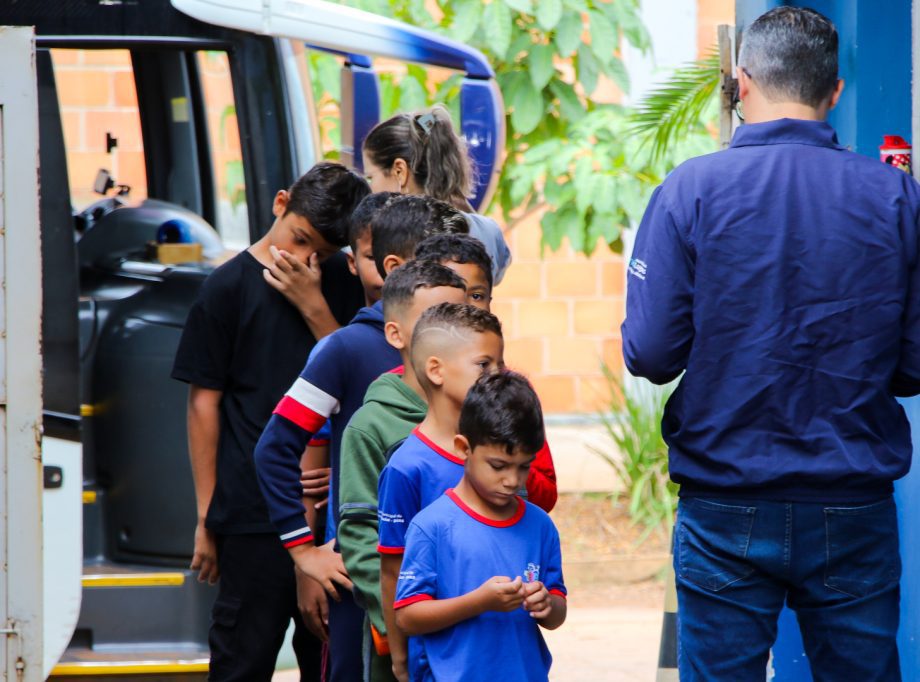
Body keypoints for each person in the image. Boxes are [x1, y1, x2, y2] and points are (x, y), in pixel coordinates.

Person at [621, 7, 920, 680]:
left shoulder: (689, 192)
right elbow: (914, 366)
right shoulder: (898, 198)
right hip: (853, 501)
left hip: (726, 500)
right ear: (834, 92)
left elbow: (650, 353)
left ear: (741, 82)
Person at [254, 194, 468, 681]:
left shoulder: (463, 358)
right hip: (363, 586)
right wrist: (304, 553)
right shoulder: (346, 348)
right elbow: (276, 446)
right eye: (435, 266)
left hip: (447, 596)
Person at [171, 162, 369, 681]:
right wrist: (207, 516)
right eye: (300, 238)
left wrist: (314, 306)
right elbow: (203, 405)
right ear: (280, 204)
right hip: (253, 516)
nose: (306, 258)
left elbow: (356, 379)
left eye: (323, 253)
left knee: (327, 658)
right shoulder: (227, 288)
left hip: (329, 518)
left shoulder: (343, 288)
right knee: (243, 656)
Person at [394, 371, 567, 682]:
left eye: (524, 466)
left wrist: (547, 603)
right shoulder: (431, 526)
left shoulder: (540, 526)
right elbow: (407, 616)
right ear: (464, 448)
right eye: (498, 466)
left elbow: (558, 611)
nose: (512, 481)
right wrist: (480, 602)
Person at [376, 302, 503, 680]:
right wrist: (398, 655)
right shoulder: (406, 466)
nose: (497, 376)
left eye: (500, 364)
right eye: (484, 365)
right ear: (436, 370)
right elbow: (392, 568)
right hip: (439, 661)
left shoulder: (500, 456)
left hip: (503, 650)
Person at [412, 233, 559, 510]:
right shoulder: (394, 400)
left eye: (476, 295)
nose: (464, 305)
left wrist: (506, 461)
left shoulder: (512, 391)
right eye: (448, 297)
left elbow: (547, 494)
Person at [362, 104, 512, 285]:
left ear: (400, 171)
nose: (370, 189)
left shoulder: (402, 240)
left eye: (371, 177)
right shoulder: (488, 230)